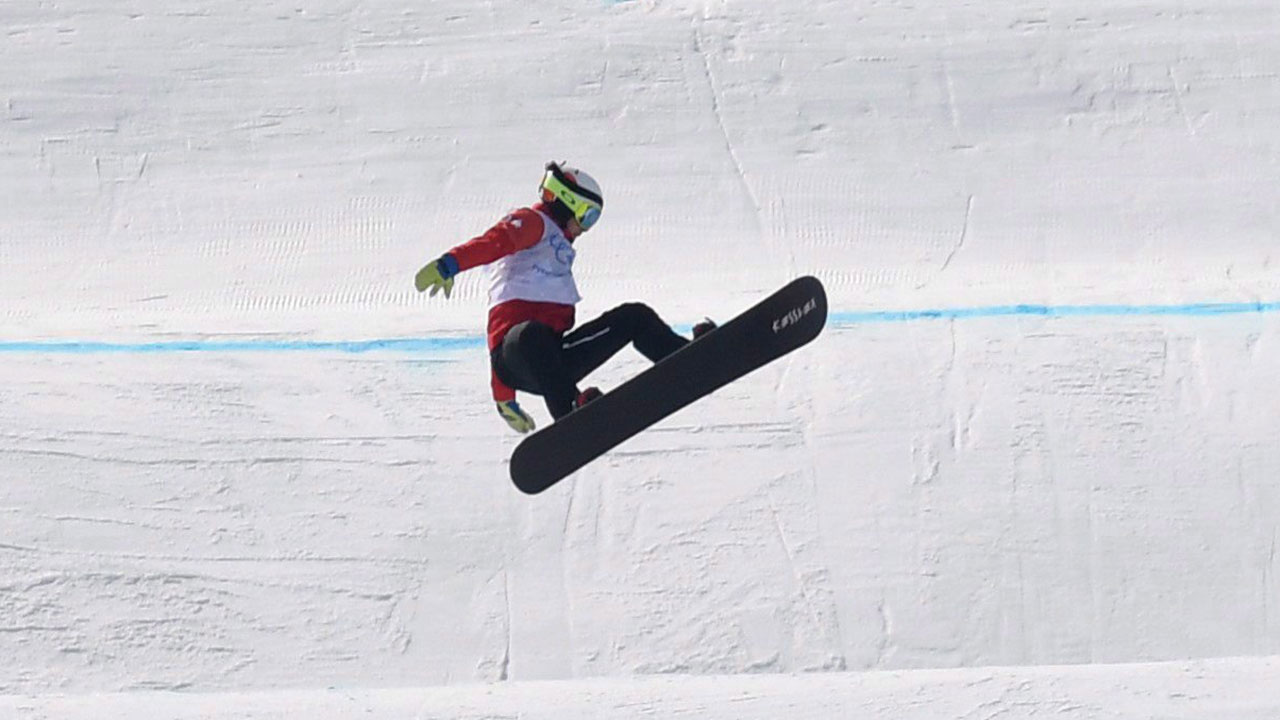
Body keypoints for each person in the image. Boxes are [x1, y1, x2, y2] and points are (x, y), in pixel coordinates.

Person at [414, 161, 714, 434]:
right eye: (587, 216)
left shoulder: (557, 240)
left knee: (634, 316)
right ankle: (570, 410)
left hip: (554, 358)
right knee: (532, 334)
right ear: (566, 202)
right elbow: (494, 243)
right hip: (515, 358)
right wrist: (450, 263)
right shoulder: (533, 222)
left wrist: (506, 404)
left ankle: (685, 357)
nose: (585, 228)